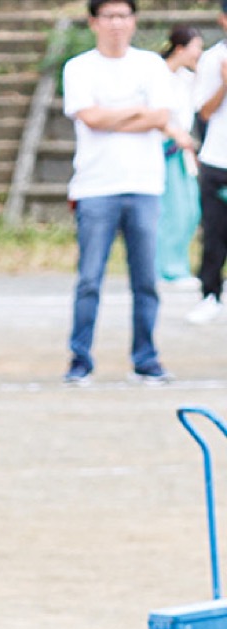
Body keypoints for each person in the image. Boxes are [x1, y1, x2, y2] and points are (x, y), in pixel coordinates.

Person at [62, 0, 180, 384]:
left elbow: (161, 117)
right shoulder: (79, 68)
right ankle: (80, 359)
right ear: (94, 22)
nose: (116, 23)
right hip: (96, 187)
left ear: (134, 22)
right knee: (90, 280)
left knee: (145, 280)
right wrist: (136, 112)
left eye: (123, 16)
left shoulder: (151, 65)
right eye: (109, 16)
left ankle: (146, 358)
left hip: (144, 185)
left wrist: (111, 116)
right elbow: (90, 118)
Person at [188, 3, 227, 325]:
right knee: (215, 232)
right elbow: (202, 112)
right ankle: (210, 294)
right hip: (218, 159)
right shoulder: (213, 59)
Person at [156, 25, 203, 287]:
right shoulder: (157, 74)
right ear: (181, 48)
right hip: (163, 148)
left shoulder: (187, 78)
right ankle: (166, 270)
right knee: (170, 211)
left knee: (189, 210)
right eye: (197, 47)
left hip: (182, 150)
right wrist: (174, 134)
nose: (200, 53)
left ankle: (177, 266)